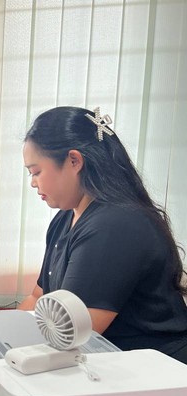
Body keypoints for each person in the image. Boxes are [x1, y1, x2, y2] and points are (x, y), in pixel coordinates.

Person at [18, 106, 187, 363]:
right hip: (102, 362)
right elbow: (37, 297)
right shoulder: (64, 219)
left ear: (74, 161)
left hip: (151, 368)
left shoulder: (116, 224)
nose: (33, 182)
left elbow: (76, 334)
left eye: (36, 171)